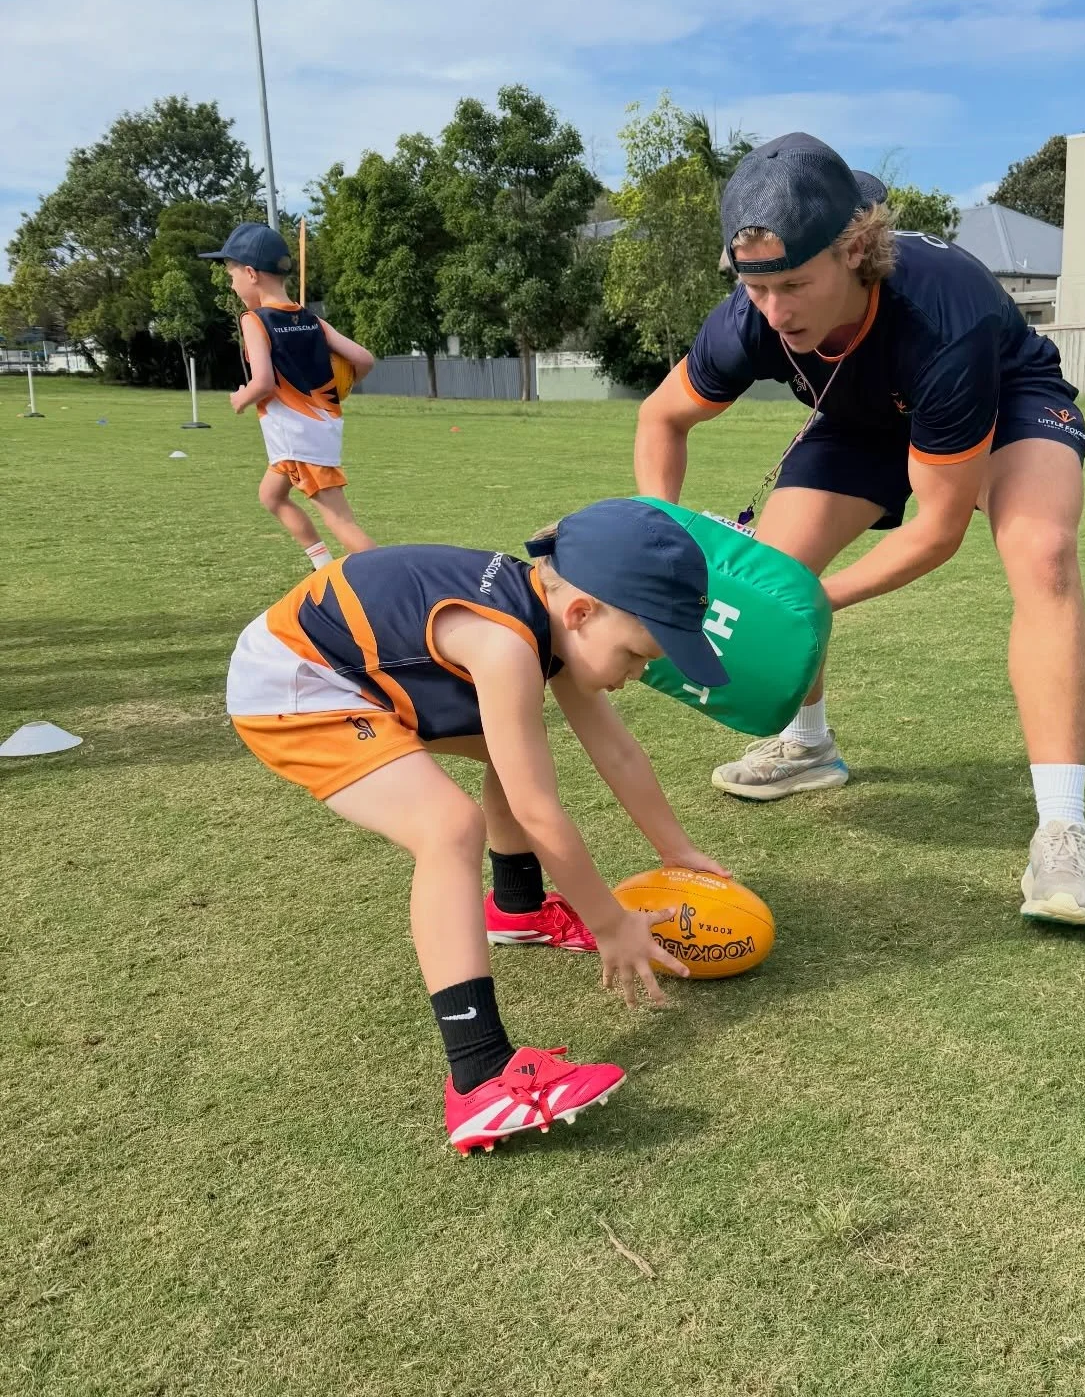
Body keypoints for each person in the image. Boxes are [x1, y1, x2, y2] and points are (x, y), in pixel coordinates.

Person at [633, 133, 1085, 927]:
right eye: (755, 289)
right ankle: (808, 745)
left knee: (1043, 550)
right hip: (859, 414)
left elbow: (938, 528)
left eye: (793, 284)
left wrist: (806, 604)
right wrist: (669, 531)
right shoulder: (754, 313)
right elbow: (661, 418)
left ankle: (1061, 829)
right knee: (768, 565)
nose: (775, 313)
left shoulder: (941, 318)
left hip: (998, 394)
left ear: (856, 250)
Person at [224, 498, 731, 1153]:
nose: (634, 677)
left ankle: (517, 908)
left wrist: (677, 849)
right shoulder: (505, 645)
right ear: (580, 613)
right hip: (294, 686)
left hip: (346, 669)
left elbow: (618, 751)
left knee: (513, 748)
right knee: (448, 827)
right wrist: (610, 924)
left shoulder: (551, 624)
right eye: (635, 656)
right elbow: (537, 810)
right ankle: (480, 1076)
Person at [202, 222, 377, 570]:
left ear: (251, 273)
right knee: (271, 495)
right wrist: (340, 387)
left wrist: (242, 397)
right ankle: (324, 568)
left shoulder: (254, 320)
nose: (232, 283)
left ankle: (398, 587)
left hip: (299, 439)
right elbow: (364, 359)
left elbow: (264, 382)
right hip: (311, 431)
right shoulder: (310, 318)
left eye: (232, 274)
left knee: (341, 521)